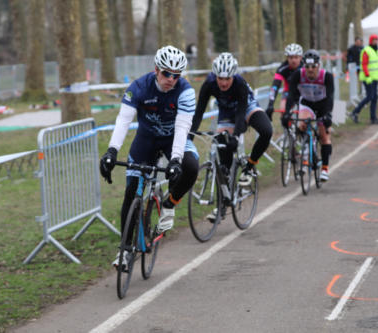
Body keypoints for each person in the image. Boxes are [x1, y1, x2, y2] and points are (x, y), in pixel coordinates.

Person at [99, 45, 199, 268]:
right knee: (131, 191)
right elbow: (123, 120)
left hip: (174, 139)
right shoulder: (139, 87)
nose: (171, 79)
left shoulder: (186, 91)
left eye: (176, 75)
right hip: (146, 141)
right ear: (156, 69)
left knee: (191, 167)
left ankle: (170, 203)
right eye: (166, 73)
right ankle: (125, 250)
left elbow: (183, 127)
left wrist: (175, 160)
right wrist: (112, 150)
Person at [191, 52, 273, 187]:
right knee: (222, 144)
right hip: (227, 110)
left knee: (266, 131)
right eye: (220, 78)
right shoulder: (209, 83)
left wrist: (236, 135)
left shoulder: (239, 83)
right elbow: (199, 112)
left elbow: (241, 114)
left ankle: (249, 167)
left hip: (246, 107)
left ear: (233, 75)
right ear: (215, 76)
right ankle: (225, 185)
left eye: (227, 78)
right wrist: (191, 134)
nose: (223, 83)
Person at [281, 49, 334, 182]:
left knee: (324, 136)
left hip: (323, 105)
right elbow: (292, 95)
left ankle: (325, 168)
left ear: (319, 65)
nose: (310, 70)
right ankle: (308, 149)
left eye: (313, 66)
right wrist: (287, 113)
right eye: (307, 66)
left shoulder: (326, 76)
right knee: (302, 124)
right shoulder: (298, 75)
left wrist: (328, 115)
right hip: (307, 103)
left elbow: (330, 97)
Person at [350, 34, 378, 125]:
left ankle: (373, 118)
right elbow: (364, 65)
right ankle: (354, 112)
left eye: (377, 40)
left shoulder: (377, 50)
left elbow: (376, 65)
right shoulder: (366, 50)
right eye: (374, 40)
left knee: (374, 97)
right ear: (370, 41)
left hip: (375, 78)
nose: (376, 41)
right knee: (370, 96)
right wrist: (368, 76)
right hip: (367, 78)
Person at [265, 43, 304, 121]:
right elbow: (275, 87)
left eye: (296, 57)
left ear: (301, 57)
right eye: (291, 57)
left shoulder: (306, 67)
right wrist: (270, 104)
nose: (293, 60)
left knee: (304, 115)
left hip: (304, 92)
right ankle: (288, 130)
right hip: (288, 92)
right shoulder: (282, 69)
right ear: (287, 58)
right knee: (283, 110)